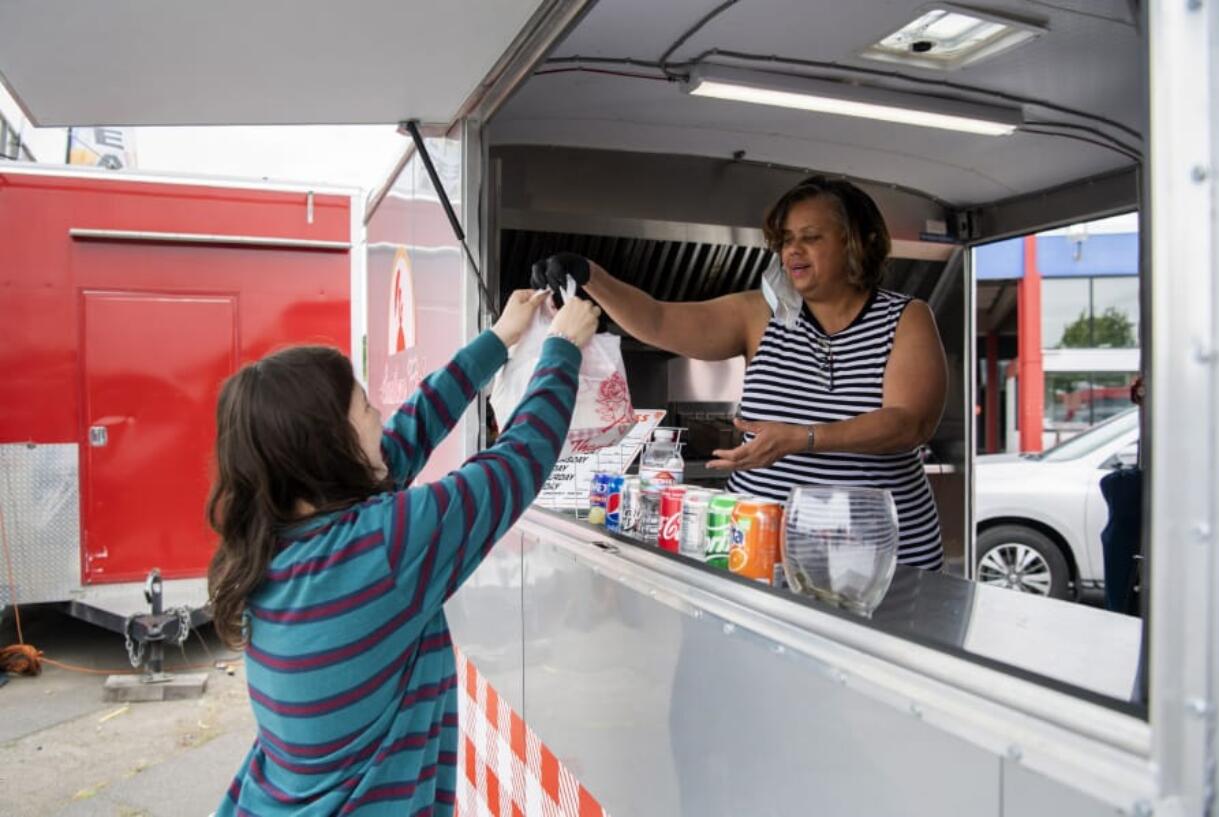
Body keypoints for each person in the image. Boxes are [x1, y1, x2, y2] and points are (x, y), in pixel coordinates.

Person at [207, 291, 601, 816]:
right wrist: (562, 349)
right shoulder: (381, 549)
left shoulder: (274, 538)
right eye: (367, 408)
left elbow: (407, 437)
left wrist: (500, 339)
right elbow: (519, 460)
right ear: (330, 447)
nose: (380, 417)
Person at [533, 176, 947, 569]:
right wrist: (591, 276)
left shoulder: (906, 318)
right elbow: (658, 320)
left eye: (811, 237)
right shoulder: (757, 314)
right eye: (785, 240)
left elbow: (910, 423)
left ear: (858, 242)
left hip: (879, 558)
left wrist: (804, 438)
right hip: (761, 549)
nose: (793, 251)